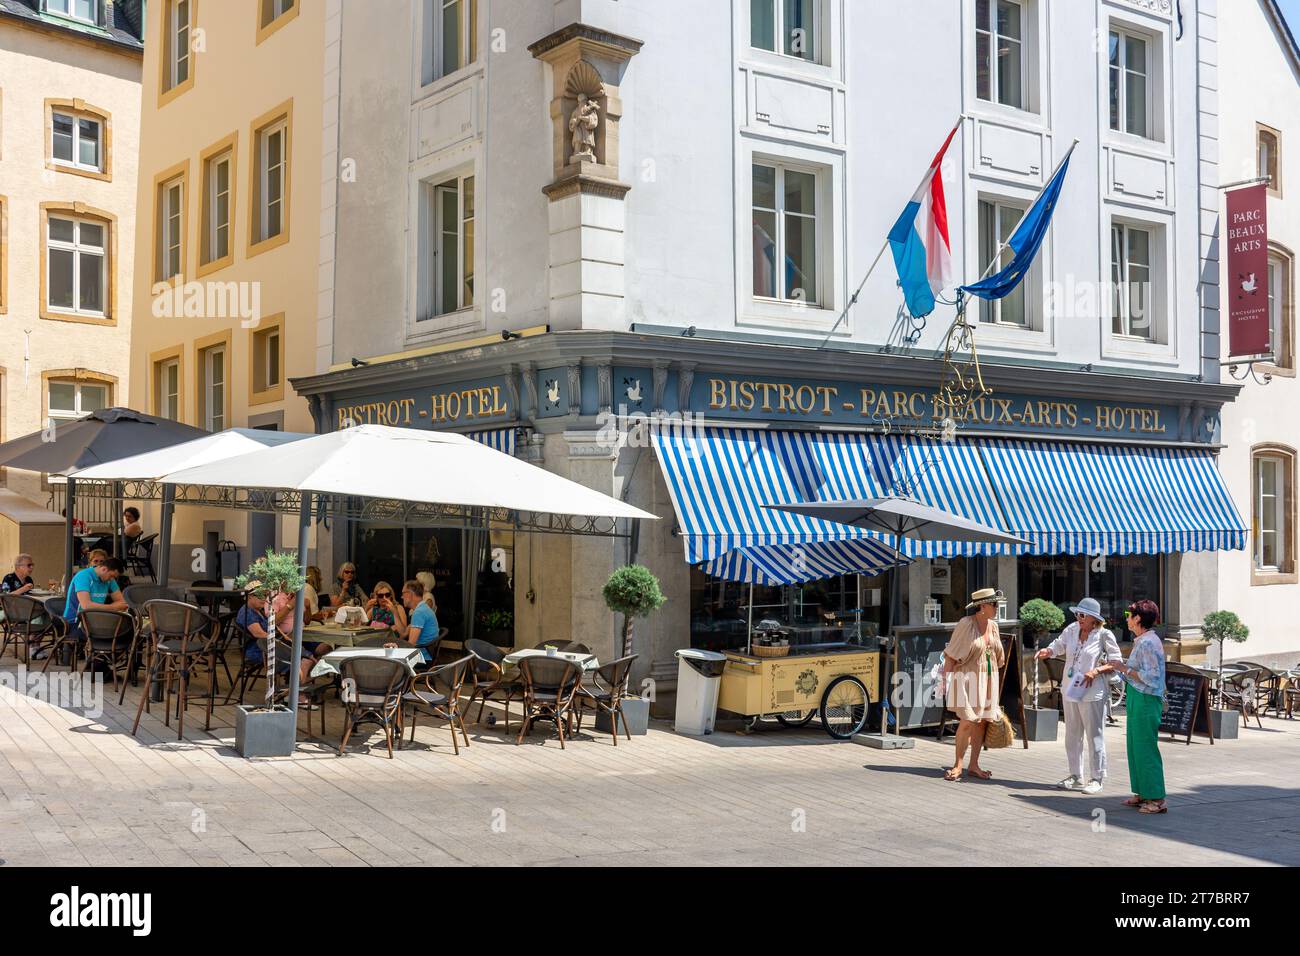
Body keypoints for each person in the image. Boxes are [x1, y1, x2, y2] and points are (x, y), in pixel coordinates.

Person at [1035, 596, 1123, 794]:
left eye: (1082, 615)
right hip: (1071, 688)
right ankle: (1075, 775)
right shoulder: (1072, 630)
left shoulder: (1103, 634)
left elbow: (1116, 662)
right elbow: (1058, 645)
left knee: (1094, 735)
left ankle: (1096, 778)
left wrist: (1096, 671)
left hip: (1093, 690)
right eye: (1077, 614)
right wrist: (1047, 651)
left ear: (1094, 618)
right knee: (1072, 735)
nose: (1078, 618)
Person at [941, 587, 1006, 782]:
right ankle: (957, 765)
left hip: (988, 678)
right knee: (968, 721)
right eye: (994, 604)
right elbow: (951, 654)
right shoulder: (965, 624)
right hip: (967, 679)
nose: (997, 607)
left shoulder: (993, 626)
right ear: (983, 606)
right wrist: (945, 681)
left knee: (983, 721)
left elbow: (999, 656)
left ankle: (974, 765)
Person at [1113, 599, 1168, 814]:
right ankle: (1142, 792)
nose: (1127, 617)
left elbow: (1152, 677)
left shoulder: (1147, 642)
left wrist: (1124, 669)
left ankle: (1156, 798)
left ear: (1138, 618)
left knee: (1145, 747)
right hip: (1139, 697)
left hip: (1146, 699)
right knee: (1135, 746)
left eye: (1129, 614)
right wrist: (1121, 667)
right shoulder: (1143, 640)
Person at [237, 588, 330, 707]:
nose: (264, 599)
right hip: (260, 650)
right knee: (304, 660)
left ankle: (293, 690)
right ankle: (296, 696)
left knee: (311, 654)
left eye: (265, 595)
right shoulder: (247, 612)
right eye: (260, 596)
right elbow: (259, 634)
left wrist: (284, 638)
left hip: (271, 645)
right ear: (249, 597)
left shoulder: (257, 611)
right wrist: (282, 639)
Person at [63, 557, 127, 652]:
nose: (112, 579)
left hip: (96, 621)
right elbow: (86, 606)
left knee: (129, 632)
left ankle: (102, 663)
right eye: (111, 576)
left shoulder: (108, 579)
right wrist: (113, 607)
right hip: (76, 622)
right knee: (110, 636)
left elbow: (122, 603)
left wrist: (113, 607)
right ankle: (96, 663)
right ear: (104, 569)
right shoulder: (84, 576)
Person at [385, 579, 440, 663]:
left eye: (403, 593)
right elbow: (403, 634)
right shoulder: (422, 608)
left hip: (421, 657)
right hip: (424, 655)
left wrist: (396, 647)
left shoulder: (419, 612)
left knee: (386, 657)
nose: (401, 597)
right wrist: (395, 612)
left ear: (410, 594)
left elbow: (410, 645)